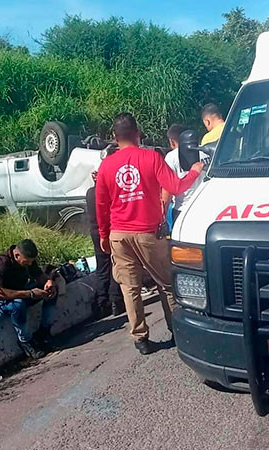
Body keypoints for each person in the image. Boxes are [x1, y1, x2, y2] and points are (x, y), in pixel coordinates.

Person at [95, 113, 205, 355]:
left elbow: (101, 206)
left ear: (114, 138)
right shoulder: (150, 158)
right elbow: (175, 187)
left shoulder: (106, 166)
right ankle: (177, 330)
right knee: (165, 284)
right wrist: (195, 171)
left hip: (119, 234)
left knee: (130, 288)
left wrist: (104, 235)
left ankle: (140, 339)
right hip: (147, 233)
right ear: (138, 132)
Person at [0, 239, 59, 359]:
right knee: (17, 305)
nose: (29, 265)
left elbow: (40, 276)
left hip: (21, 293)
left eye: (31, 262)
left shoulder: (28, 261)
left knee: (52, 292)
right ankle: (26, 341)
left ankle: (44, 332)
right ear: (17, 255)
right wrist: (30, 293)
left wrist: (49, 282)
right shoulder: (1, 263)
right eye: (27, 262)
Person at [85, 170, 126, 317]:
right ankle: (116, 300)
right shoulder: (107, 191)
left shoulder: (90, 193)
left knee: (102, 268)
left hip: (95, 234)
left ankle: (102, 303)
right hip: (109, 232)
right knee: (116, 266)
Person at [163, 124, 210, 225]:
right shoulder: (205, 151)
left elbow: (168, 189)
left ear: (171, 141)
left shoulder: (171, 157)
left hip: (183, 209)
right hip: (206, 207)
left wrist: (163, 216)